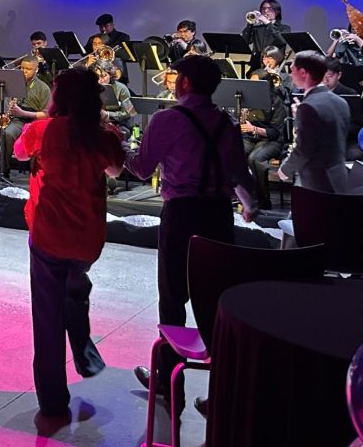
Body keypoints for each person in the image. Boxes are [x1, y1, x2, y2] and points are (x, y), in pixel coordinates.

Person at [125, 56, 256, 409]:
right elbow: (239, 175)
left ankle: (172, 386)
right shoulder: (226, 122)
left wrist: (119, 146)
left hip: (182, 215)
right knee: (216, 304)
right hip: (218, 217)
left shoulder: (166, 119)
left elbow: (140, 170)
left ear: (183, 83)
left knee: (172, 302)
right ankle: (222, 395)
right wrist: (249, 204)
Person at [14, 68, 125, 428]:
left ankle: (52, 402)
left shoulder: (44, 130)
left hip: (49, 234)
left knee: (47, 321)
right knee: (75, 285)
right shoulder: (101, 136)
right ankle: (82, 345)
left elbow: (18, 152)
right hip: (88, 238)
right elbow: (115, 171)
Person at [277, 51, 349, 193]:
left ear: (303, 73)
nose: (290, 75)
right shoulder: (341, 101)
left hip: (318, 182)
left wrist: (285, 170)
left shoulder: (308, 106)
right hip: (339, 177)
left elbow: (304, 149)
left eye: (292, 70)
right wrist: (302, 117)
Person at [0, 56, 51, 180]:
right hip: (18, 120)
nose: (24, 71)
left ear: (36, 70)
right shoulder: (13, 85)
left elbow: (46, 114)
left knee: (37, 141)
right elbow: (3, 103)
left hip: (34, 121)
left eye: (29, 69)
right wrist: (3, 114)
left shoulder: (43, 88)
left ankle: (35, 176)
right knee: (7, 133)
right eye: (22, 68)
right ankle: (4, 171)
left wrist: (23, 113)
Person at [240, 69, 288, 211]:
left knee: (255, 158)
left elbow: (275, 132)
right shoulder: (247, 99)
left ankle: (263, 199)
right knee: (233, 152)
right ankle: (243, 194)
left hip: (271, 140)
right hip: (250, 138)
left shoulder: (276, 101)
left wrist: (253, 129)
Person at [322, 55, 363, 160]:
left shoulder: (350, 94)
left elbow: (358, 125)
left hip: (346, 141)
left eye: (329, 76)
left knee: (355, 153)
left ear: (339, 75)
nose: (325, 80)